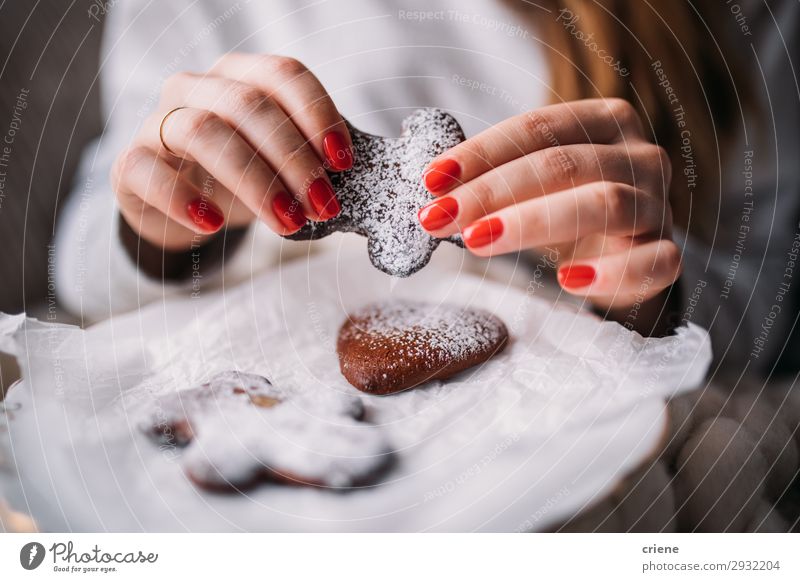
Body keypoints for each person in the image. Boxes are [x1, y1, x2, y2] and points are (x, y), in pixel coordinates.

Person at [55, 0, 799, 381]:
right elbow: (83, 270)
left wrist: (645, 295)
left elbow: (763, 313)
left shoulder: (743, 20)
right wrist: (166, 227)